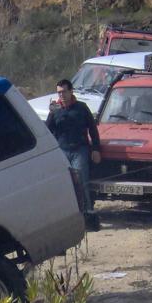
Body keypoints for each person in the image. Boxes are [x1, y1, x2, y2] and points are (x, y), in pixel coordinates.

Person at [46, 78, 101, 216]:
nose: (61, 95)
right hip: (62, 151)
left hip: (79, 150)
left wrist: (96, 149)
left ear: (71, 91)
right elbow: (47, 131)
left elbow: (93, 130)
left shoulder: (81, 108)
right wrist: (51, 113)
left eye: (64, 92)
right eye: (59, 92)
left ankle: (87, 213)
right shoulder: (55, 111)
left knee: (81, 181)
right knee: (63, 183)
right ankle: (67, 214)